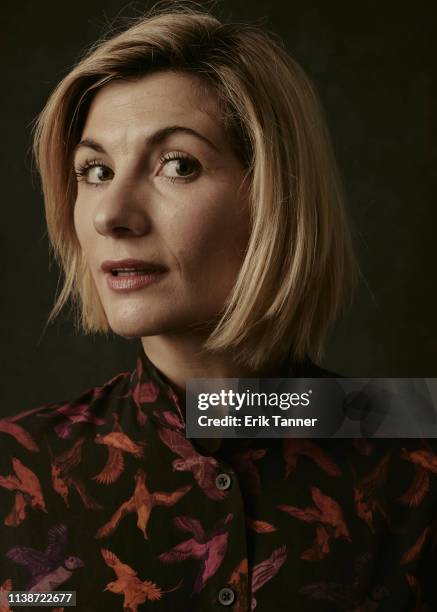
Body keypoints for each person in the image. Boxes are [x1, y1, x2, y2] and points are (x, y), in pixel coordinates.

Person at [1, 4, 435, 611]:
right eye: (94, 170)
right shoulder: (15, 467)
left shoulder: (415, 459)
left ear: (274, 196)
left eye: (177, 165)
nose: (109, 214)